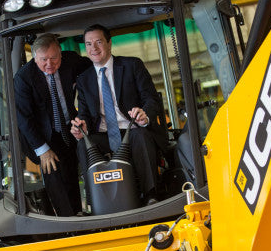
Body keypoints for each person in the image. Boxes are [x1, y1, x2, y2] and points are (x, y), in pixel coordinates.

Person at [71, 24, 165, 205]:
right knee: (83, 143)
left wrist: (144, 115)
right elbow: (84, 115)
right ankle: (93, 202)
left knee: (141, 135)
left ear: (109, 43)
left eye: (98, 42)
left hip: (131, 129)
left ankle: (151, 195)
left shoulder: (132, 65)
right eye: (88, 44)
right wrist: (80, 128)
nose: (94, 48)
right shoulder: (84, 79)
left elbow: (151, 98)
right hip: (104, 135)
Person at [14, 33, 90, 216]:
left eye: (54, 58)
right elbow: (24, 118)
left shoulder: (72, 61)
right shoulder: (24, 78)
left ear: (61, 54)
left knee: (73, 170)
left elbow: (94, 67)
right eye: (43, 59)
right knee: (53, 171)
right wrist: (42, 149)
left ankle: (81, 214)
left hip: (71, 128)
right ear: (34, 58)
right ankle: (68, 220)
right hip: (45, 135)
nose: (50, 64)